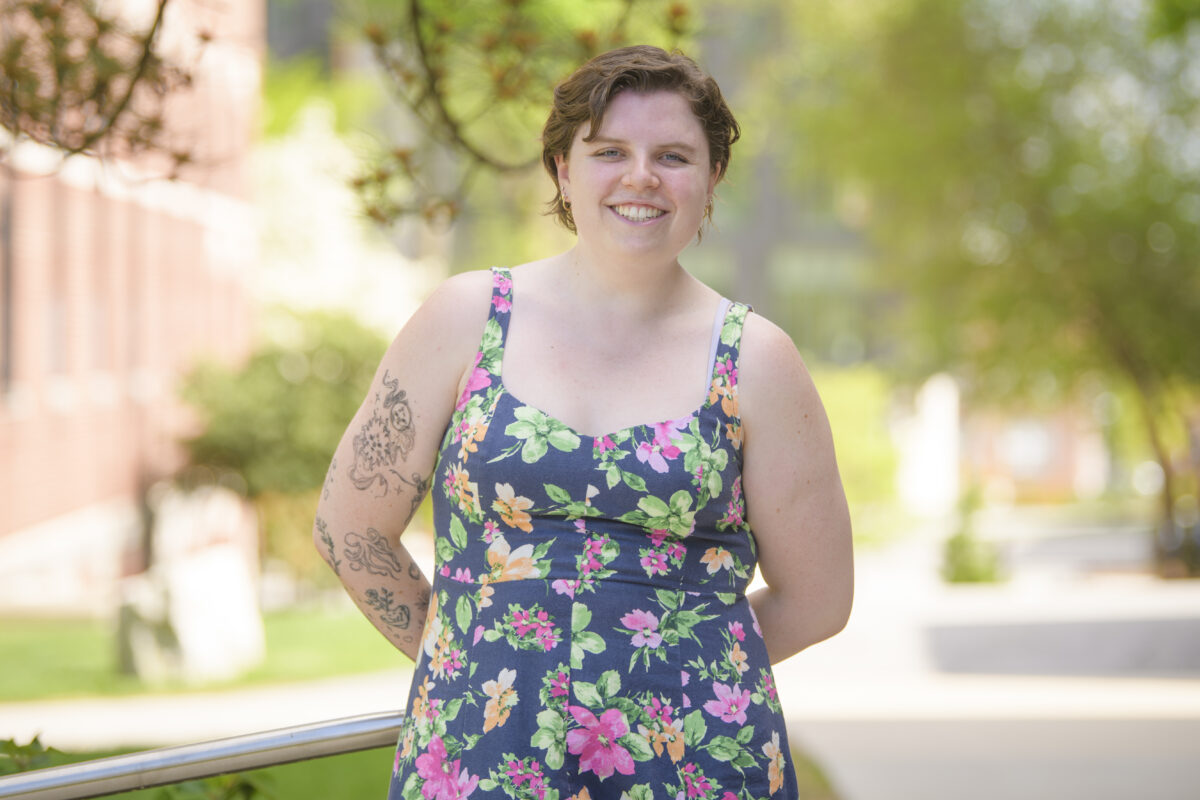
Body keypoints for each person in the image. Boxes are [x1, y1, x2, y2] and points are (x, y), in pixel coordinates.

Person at [314, 44, 853, 800]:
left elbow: (819, 599)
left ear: (712, 180)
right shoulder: (464, 318)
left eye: (673, 156)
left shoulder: (759, 361)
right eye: (609, 152)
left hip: (695, 764)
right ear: (563, 170)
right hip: (479, 752)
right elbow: (350, 528)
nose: (642, 177)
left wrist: (683, 670)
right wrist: (466, 657)